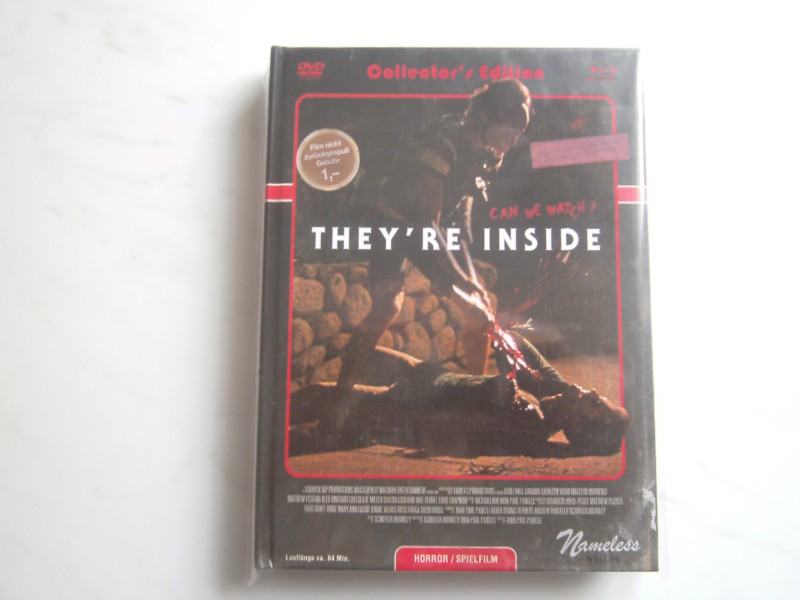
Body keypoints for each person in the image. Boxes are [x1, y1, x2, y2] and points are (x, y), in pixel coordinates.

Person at [327, 79, 533, 435]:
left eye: (520, 129)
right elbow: (425, 224)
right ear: (487, 117)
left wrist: (472, 279)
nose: (515, 137)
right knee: (387, 306)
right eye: (510, 125)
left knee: (480, 311)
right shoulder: (443, 143)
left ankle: (475, 402)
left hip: (430, 229)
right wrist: (462, 279)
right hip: (394, 225)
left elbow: (461, 217)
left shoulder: (488, 152)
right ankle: (339, 398)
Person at [293, 332, 629, 457]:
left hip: (408, 405)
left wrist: (498, 398)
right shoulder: (556, 390)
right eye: (596, 396)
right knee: (357, 349)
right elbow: (515, 343)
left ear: (578, 425)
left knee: (317, 396)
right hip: (427, 374)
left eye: (593, 403)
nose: (590, 391)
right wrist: (508, 351)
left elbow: (467, 434)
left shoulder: (530, 424)